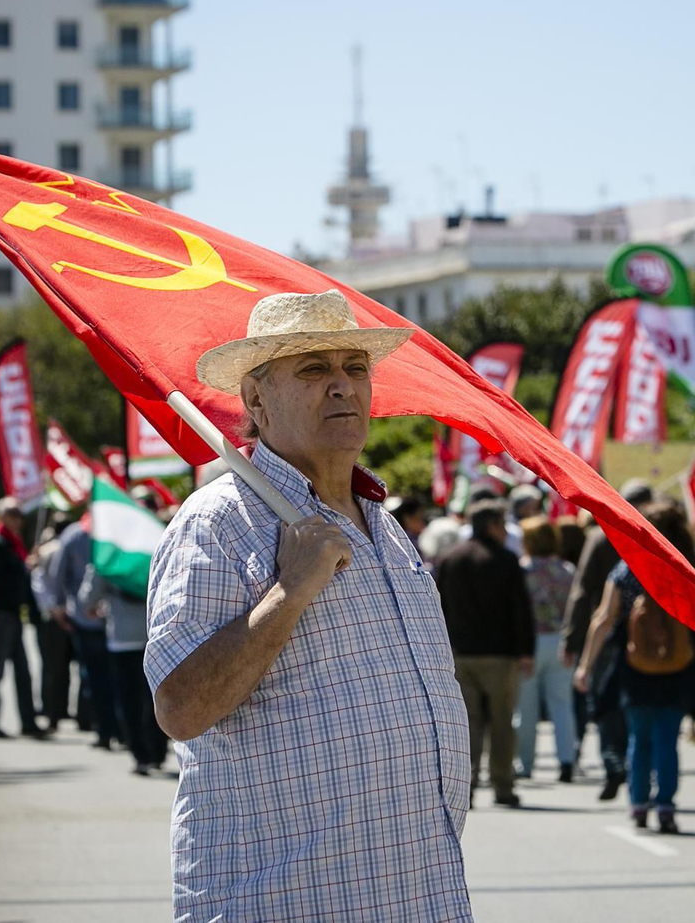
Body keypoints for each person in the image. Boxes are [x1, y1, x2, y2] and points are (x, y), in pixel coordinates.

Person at [144, 290, 473, 922]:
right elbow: (180, 707)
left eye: (355, 368)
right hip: (285, 901)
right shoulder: (217, 524)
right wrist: (289, 591)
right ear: (256, 400)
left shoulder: (382, 522)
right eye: (314, 370)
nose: (343, 387)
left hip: (418, 893)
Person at [574, 501, 695, 834]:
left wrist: (586, 665)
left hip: (634, 665)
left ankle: (638, 803)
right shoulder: (684, 567)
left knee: (639, 738)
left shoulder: (628, 567)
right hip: (677, 664)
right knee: (667, 739)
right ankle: (666, 805)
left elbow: (603, 618)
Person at [435, 498, 536, 807]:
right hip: (499, 654)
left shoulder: (449, 559)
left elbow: (438, 607)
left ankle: (466, 786)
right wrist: (526, 651)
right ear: (493, 525)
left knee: (468, 724)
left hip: (460, 653)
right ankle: (503, 785)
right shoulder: (506, 560)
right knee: (502, 723)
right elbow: (520, 609)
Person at [560, 477, 655, 799]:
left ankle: (615, 761)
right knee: (640, 703)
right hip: (648, 636)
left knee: (605, 702)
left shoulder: (601, 538)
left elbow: (583, 590)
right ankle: (632, 764)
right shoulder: (653, 536)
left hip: (608, 635)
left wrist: (572, 639)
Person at [82, 562, 168, 776]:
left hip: (121, 639)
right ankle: (158, 751)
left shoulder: (107, 558)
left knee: (129, 701)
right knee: (155, 697)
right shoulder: (151, 549)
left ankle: (141, 755)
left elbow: (87, 599)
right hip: (152, 635)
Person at [514, 517, 578, 783]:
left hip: (530, 643)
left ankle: (526, 763)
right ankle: (566, 759)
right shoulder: (567, 569)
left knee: (526, 708)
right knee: (562, 705)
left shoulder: (522, 570)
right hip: (560, 640)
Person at [49, 512, 120, 749]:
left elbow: (56, 576)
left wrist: (59, 606)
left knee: (97, 678)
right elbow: (57, 576)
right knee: (111, 678)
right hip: (104, 619)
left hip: (94, 618)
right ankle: (115, 730)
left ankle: (106, 729)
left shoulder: (79, 535)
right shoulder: (109, 532)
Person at [0, 497, 48, 740]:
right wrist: (24, 569)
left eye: (19, 514)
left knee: (22, 670)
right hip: (1, 613)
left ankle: (28, 721)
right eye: (13, 514)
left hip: (12, 613)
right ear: (3, 516)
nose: (18, 519)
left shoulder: (11, 542)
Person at [29, 516, 74, 730]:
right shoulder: (71, 546)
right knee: (64, 668)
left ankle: (53, 712)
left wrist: (52, 610)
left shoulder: (47, 550)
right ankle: (62, 711)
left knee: (52, 668)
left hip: (53, 616)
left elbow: (39, 583)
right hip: (68, 615)